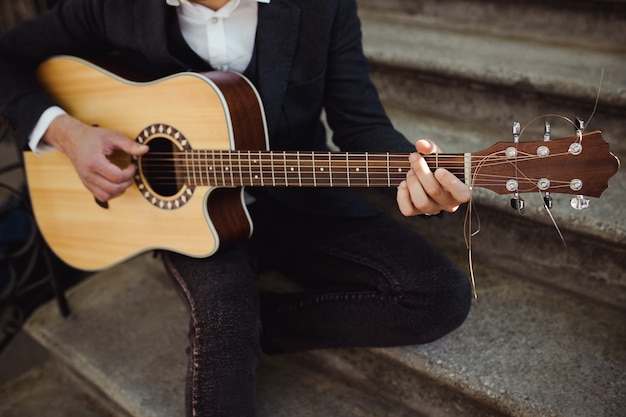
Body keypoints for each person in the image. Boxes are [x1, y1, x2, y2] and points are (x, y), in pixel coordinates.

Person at [0, 0, 473, 415]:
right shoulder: (114, 6)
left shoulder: (321, 5)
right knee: (225, 321)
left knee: (439, 295)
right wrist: (68, 133)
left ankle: (256, 325)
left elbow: (360, 123)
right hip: (182, 214)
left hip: (298, 194)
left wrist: (417, 176)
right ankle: (232, 325)